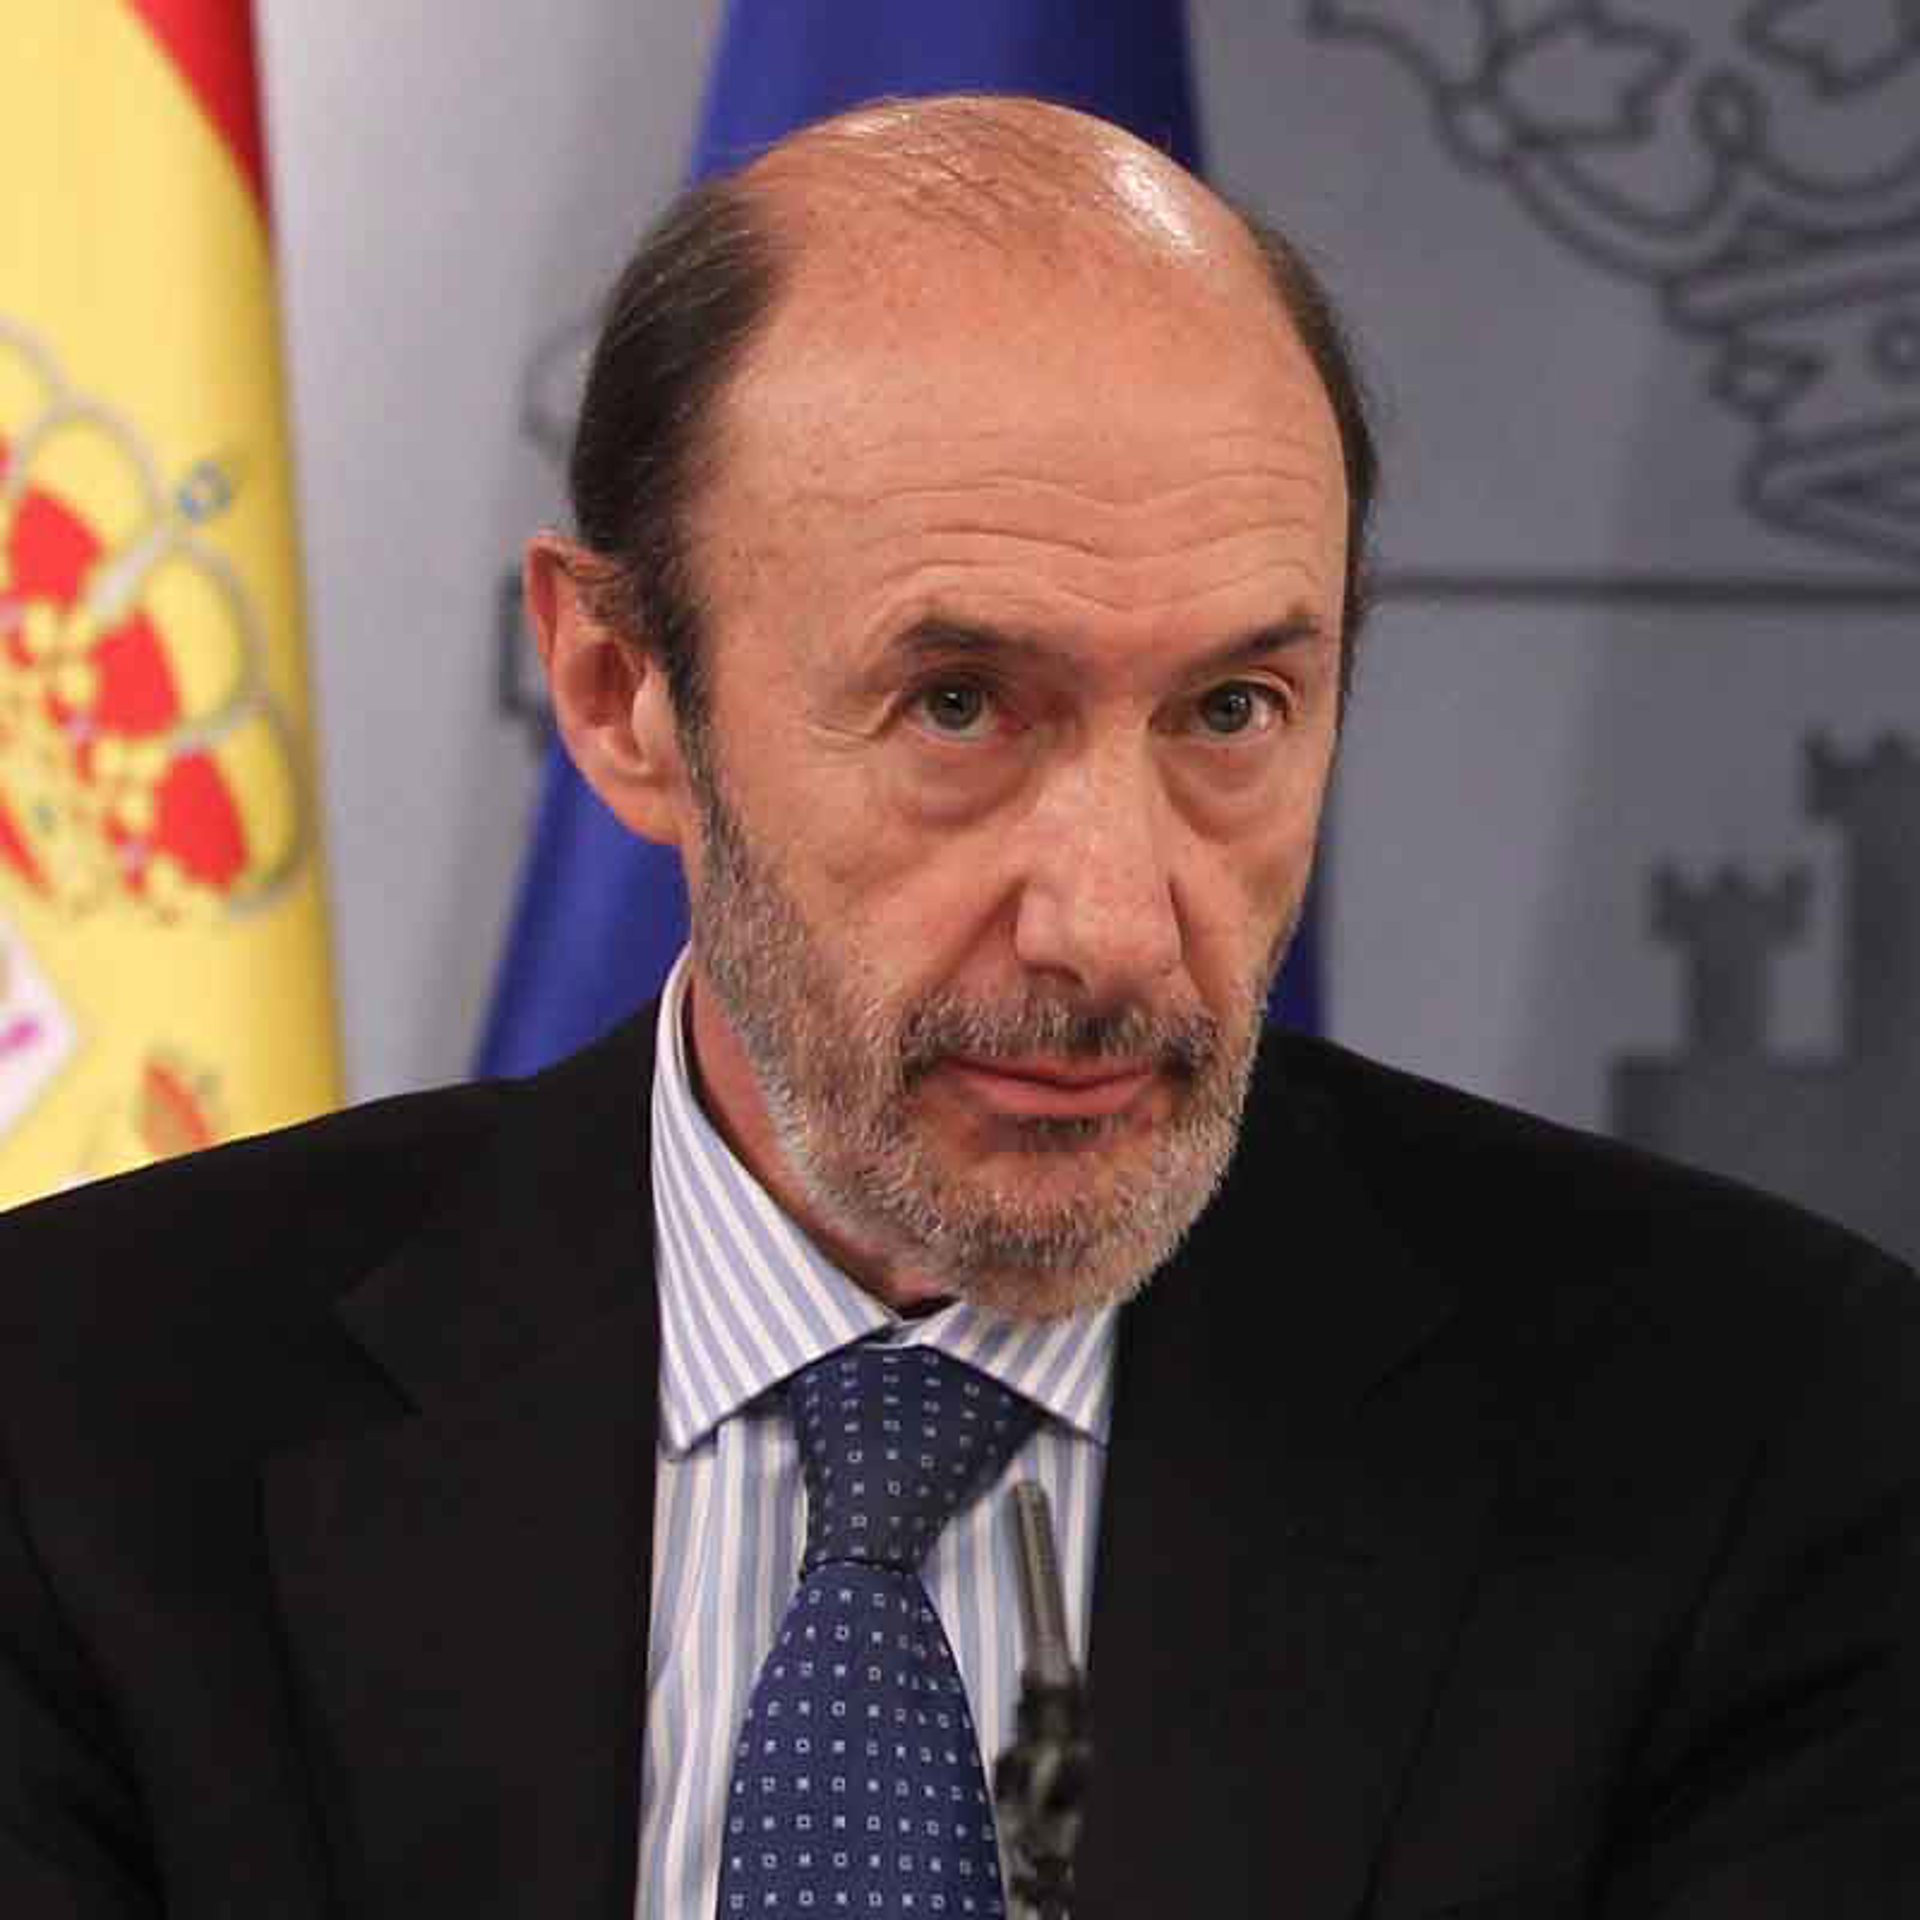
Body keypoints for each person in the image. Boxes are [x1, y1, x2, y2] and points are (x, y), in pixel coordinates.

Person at [1, 96, 1915, 1920]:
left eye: (1231, 711)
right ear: (620, 691)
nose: (1114, 926)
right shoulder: (80, 1421)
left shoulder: (1749, 1438)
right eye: (959, 706)